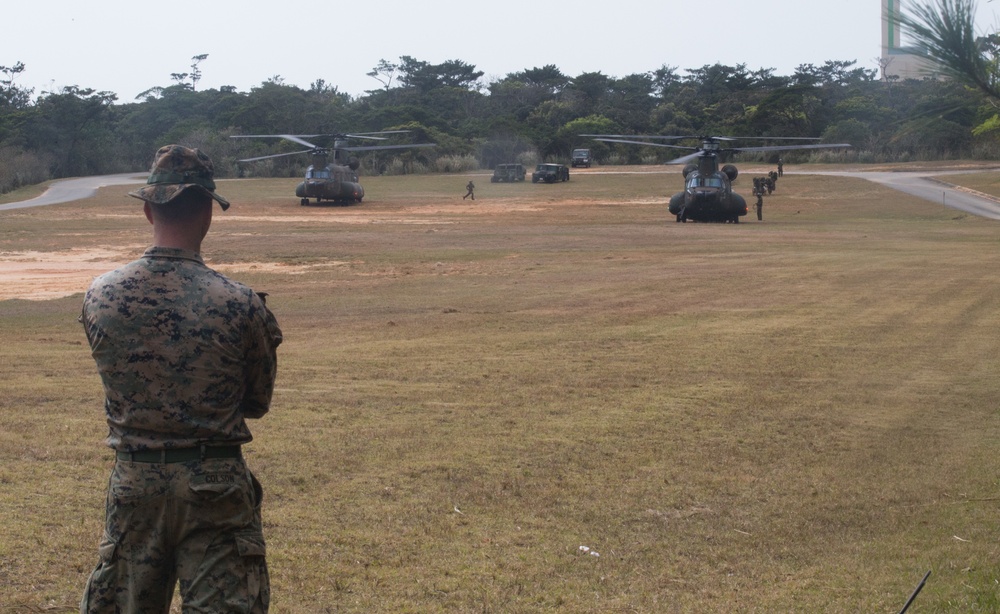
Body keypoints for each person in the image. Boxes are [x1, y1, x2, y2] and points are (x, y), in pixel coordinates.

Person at [79, 144, 282, 613]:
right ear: (209, 210)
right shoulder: (241, 303)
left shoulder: (101, 294)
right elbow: (256, 401)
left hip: (135, 481)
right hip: (215, 483)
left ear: (149, 209)